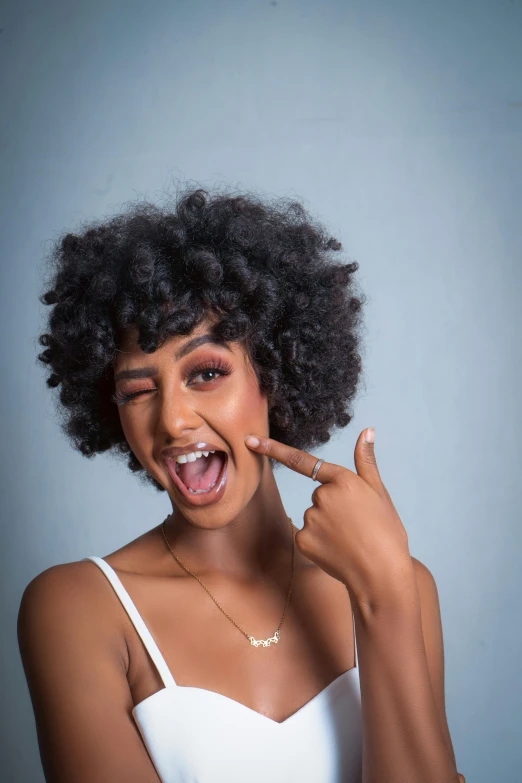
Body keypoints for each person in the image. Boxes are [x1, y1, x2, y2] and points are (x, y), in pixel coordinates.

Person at [17, 187, 465, 782]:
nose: (173, 420)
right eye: (138, 389)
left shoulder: (402, 586)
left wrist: (384, 597)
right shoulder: (79, 610)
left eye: (205, 373)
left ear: (274, 374)